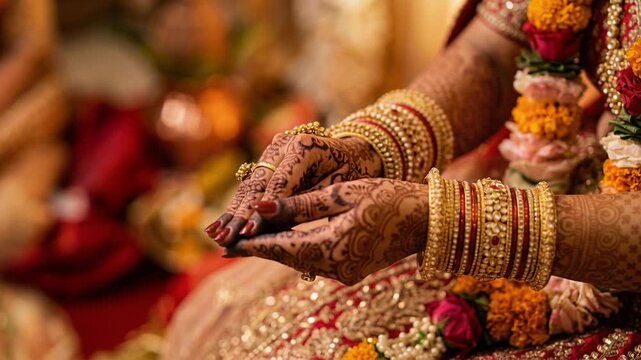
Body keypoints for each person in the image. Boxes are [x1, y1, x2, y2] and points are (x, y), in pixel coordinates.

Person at [164, 0, 641, 358]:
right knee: (249, 324)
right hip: (552, 174)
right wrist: (368, 147)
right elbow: (493, 55)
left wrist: (447, 223)